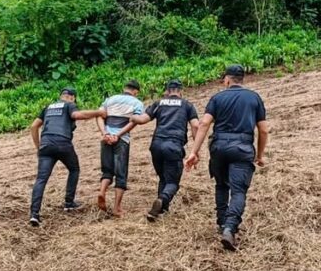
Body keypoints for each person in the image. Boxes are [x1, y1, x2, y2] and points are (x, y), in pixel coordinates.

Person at [185, 65, 268, 251]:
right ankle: (230, 227)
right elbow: (263, 129)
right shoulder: (254, 98)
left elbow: (204, 124)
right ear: (242, 79)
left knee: (221, 185)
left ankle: (222, 223)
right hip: (243, 148)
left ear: (227, 80)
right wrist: (260, 155)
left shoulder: (217, 98)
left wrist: (194, 152)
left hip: (219, 147)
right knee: (238, 191)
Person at [29, 87, 104, 227]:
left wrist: (38, 147)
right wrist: (98, 112)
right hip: (63, 143)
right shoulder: (69, 105)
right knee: (74, 169)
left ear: (61, 96)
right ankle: (69, 203)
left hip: (46, 145)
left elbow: (34, 126)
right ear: (72, 97)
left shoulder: (48, 107)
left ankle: (34, 214)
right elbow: (77, 115)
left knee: (41, 179)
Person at [130, 79, 199, 221]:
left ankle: (160, 210)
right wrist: (196, 150)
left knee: (163, 178)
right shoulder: (187, 105)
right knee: (173, 182)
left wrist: (128, 116)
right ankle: (162, 199)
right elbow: (196, 126)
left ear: (167, 91)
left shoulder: (158, 103)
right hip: (173, 145)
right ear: (181, 91)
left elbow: (142, 119)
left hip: (156, 145)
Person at [96, 80, 144, 217]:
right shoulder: (137, 103)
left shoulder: (110, 99)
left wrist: (104, 133)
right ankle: (117, 208)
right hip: (121, 139)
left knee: (107, 170)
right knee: (121, 173)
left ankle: (102, 191)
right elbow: (134, 121)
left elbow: (99, 116)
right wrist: (118, 134)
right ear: (136, 91)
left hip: (106, 138)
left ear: (124, 88)